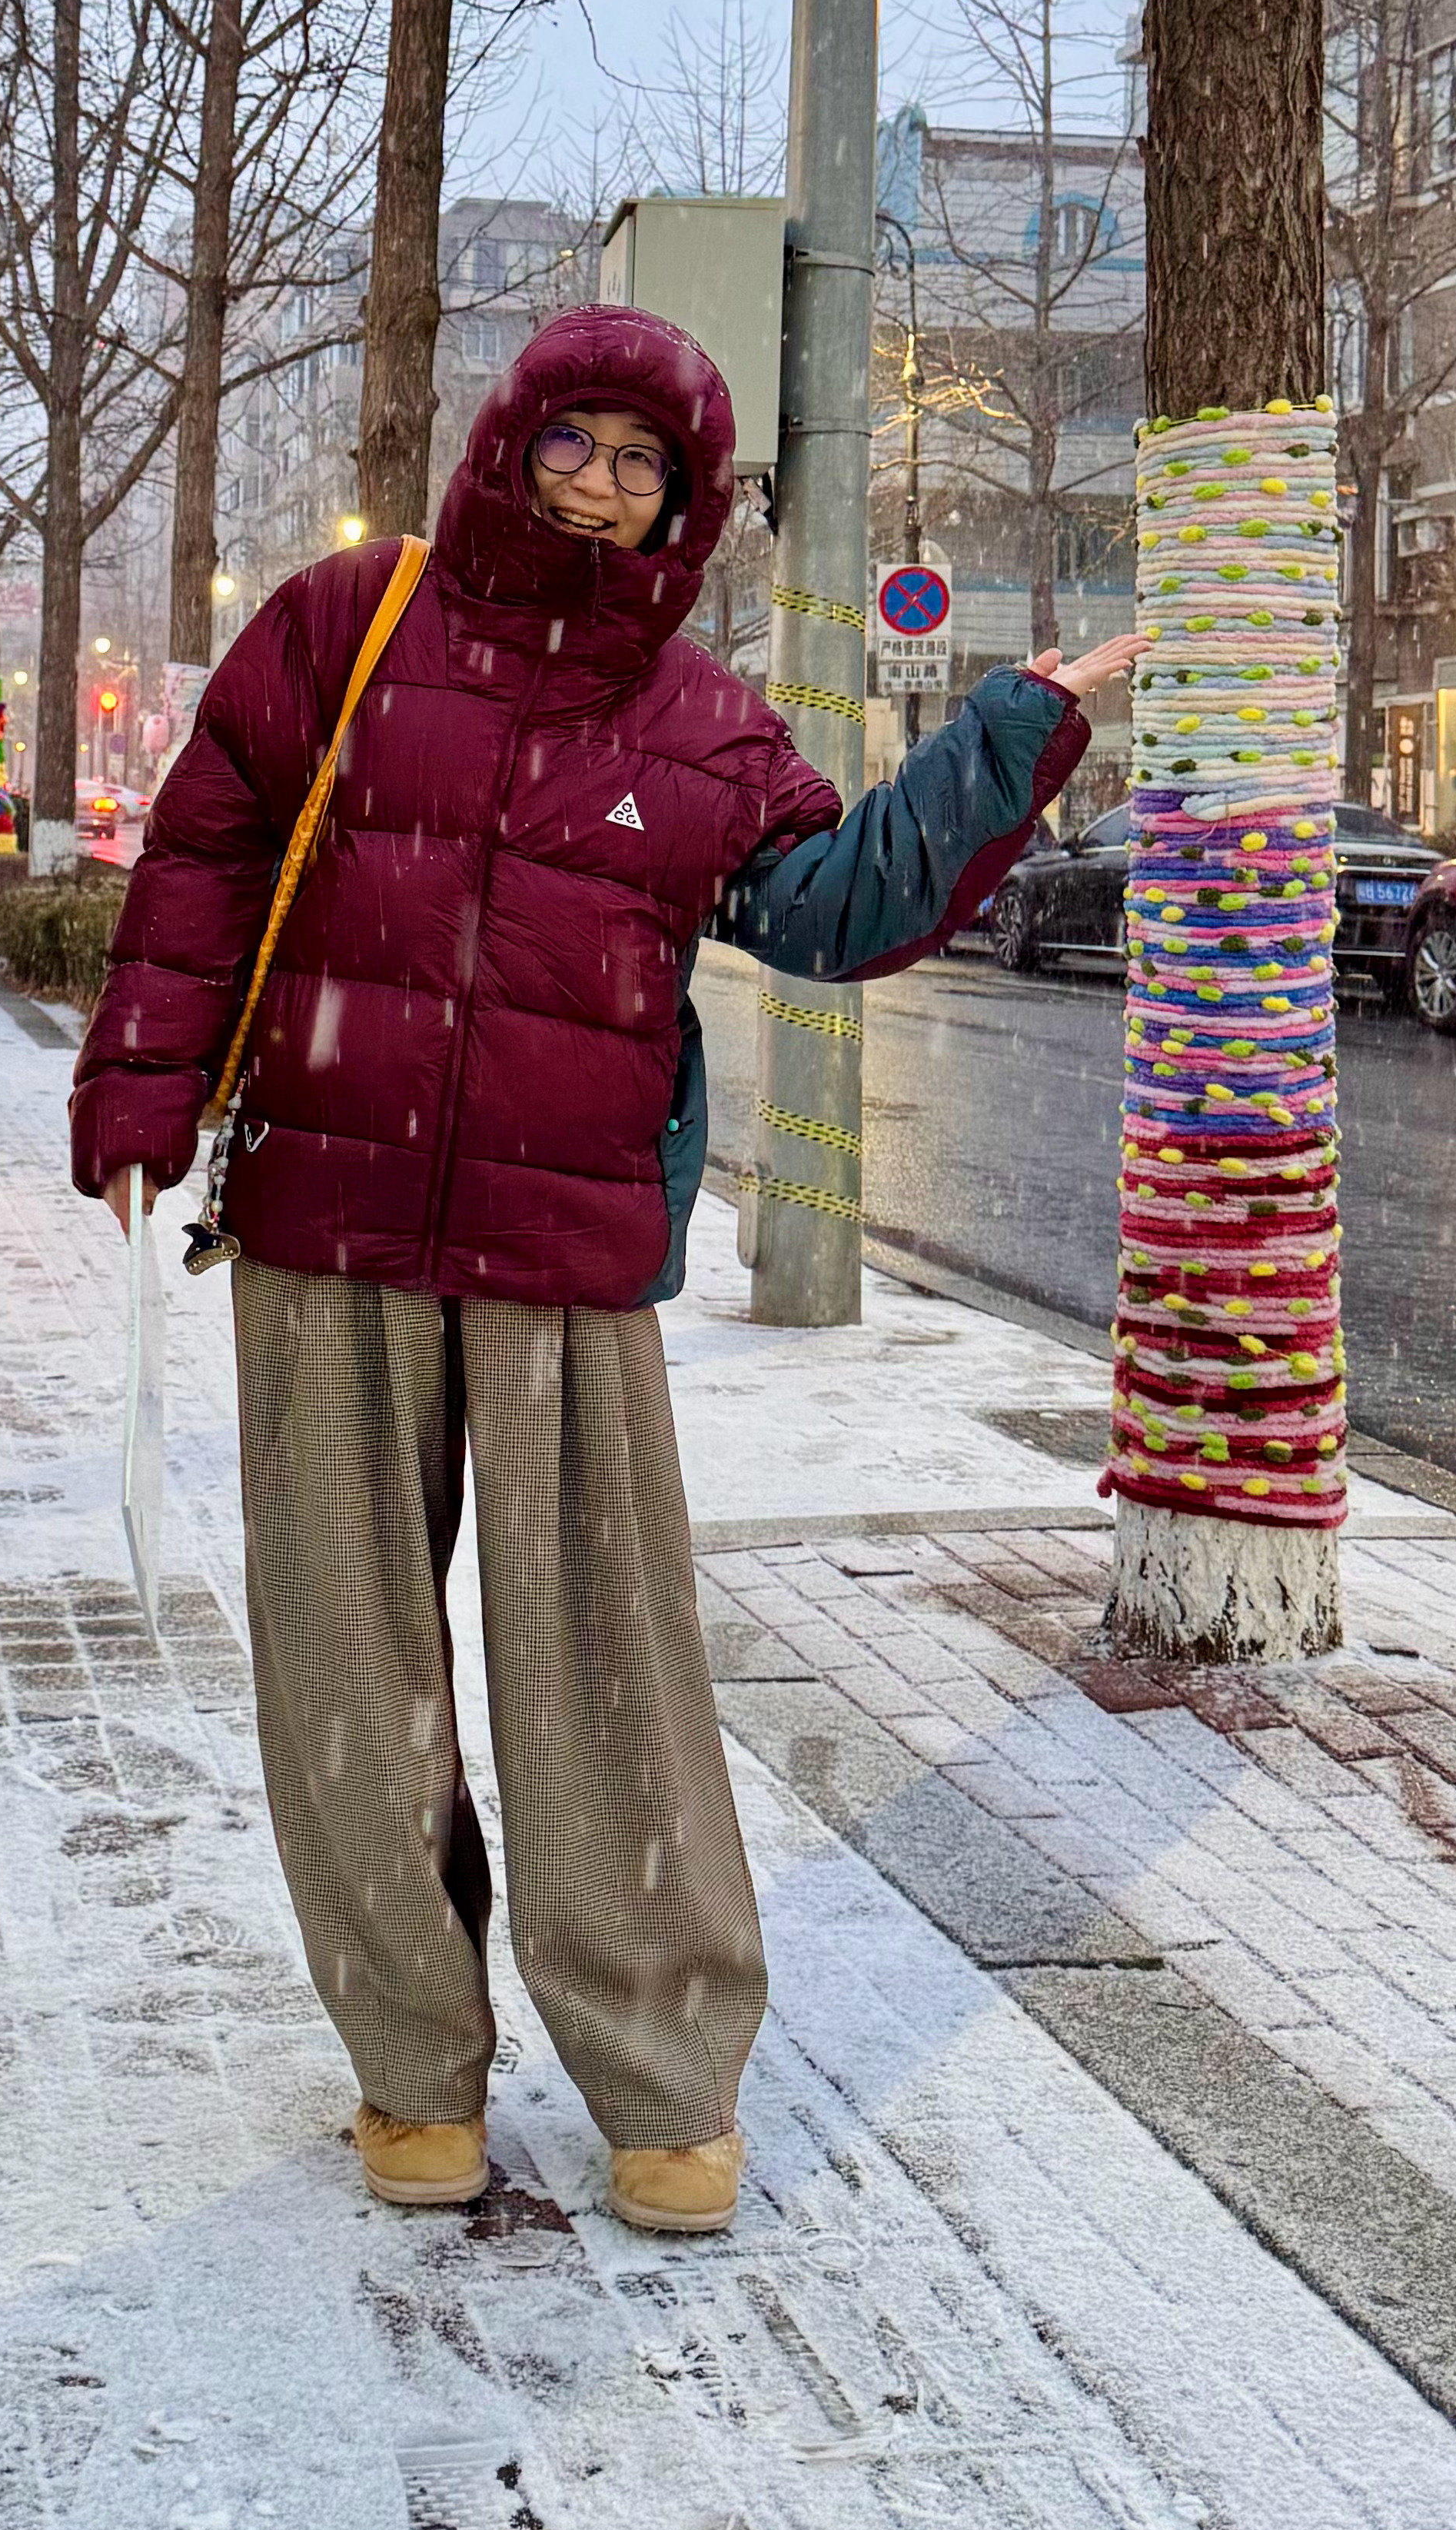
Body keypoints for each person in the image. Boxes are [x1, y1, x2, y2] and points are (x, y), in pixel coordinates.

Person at [68, 308, 1133, 2236]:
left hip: (564, 1266)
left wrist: (1009, 735)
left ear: (688, 505)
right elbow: (211, 843)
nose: (601, 487)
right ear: (513, 441)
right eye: (578, 443)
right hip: (327, 1233)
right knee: (344, 1670)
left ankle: (660, 2083)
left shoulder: (698, 722)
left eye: (646, 465)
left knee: (604, 1682)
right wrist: (143, 1091)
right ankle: (415, 2072)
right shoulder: (350, 627)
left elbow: (839, 901)